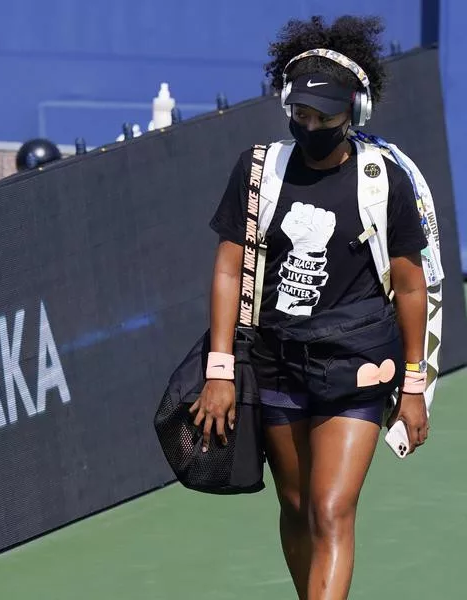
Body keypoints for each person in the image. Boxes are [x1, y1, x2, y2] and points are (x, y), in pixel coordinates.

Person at [190, 15, 431, 600]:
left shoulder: (384, 183)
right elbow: (228, 267)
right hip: (275, 362)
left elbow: (410, 286)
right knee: (296, 508)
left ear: (357, 113)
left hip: (358, 365)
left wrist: (416, 382)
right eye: (302, 113)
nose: (312, 124)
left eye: (327, 116)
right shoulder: (257, 173)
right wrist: (220, 369)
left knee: (330, 508)